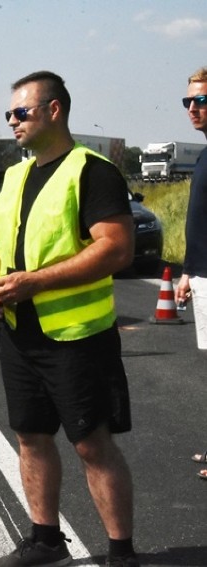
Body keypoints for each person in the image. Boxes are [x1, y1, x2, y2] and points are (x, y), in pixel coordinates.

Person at [0, 71, 139, 567]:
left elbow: (118, 248)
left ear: (54, 110)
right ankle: (46, 542)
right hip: (21, 334)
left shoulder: (92, 171)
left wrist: (36, 282)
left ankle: (121, 554)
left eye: (21, 112)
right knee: (30, 436)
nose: (11, 121)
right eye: (8, 114)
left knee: (92, 445)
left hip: (77, 337)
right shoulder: (15, 175)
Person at [171, 66, 207, 478]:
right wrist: (187, 273)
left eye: (201, 100)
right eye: (188, 101)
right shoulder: (203, 155)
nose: (192, 108)